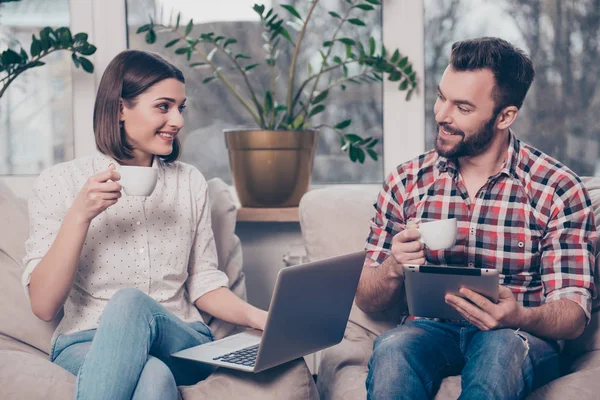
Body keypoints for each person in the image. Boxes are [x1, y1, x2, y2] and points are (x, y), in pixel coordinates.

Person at [357, 37, 597, 399]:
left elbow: (574, 314)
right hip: (427, 330)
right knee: (392, 350)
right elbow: (367, 299)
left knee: (499, 354)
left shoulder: (556, 188)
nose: (442, 115)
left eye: (463, 108)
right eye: (441, 97)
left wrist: (520, 317)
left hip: (515, 335)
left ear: (505, 116)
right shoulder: (406, 182)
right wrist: (393, 265)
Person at [22, 49, 268, 400]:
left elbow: (204, 284)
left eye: (180, 108)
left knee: (129, 303)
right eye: (163, 106)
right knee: (153, 377)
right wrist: (80, 216)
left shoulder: (189, 183)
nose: (179, 121)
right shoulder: (61, 183)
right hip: (85, 341)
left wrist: (263, 319)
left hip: (180, 339)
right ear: (121, 108)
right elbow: (44, 305)